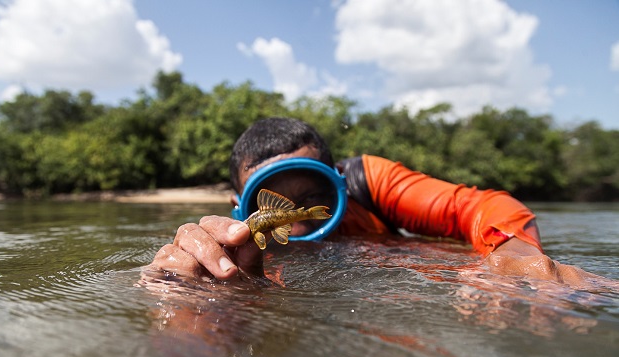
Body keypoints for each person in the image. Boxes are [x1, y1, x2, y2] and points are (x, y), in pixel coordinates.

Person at [147, 117, 613, 289]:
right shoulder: (240, 238)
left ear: (339, 182)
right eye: (276, 201)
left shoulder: (372, 181)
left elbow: (483, 207)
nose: (302, 218)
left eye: (314, 197)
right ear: (239, 205)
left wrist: (514, 252)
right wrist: (199, 284)